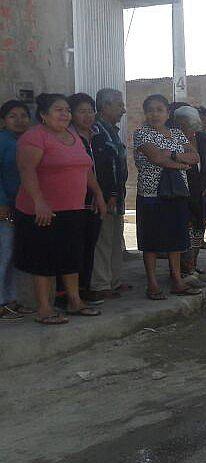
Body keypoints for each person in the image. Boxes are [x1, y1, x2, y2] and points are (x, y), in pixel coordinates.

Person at [14, 93, 106, 324]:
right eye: (58, 110)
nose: (65, 114)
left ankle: (75, 301)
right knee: (43, 259)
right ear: (43, 115)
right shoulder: (34, 137)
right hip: (43, 211)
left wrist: (98, 193)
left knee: (71, 257)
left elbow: (85, 168)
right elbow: (27, 171)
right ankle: (44, 309)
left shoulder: (72, 135)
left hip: (73, 209)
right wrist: (39, 202)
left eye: (66, 110)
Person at [133, 94, 203, 300]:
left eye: (159, 109)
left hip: (176, 193)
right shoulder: (141, 134)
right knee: (151, 240)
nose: (154, 114)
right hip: (151, 194)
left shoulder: (177, 133)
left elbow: (195, 157)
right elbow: (155, 158)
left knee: (176, 238)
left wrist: (172, 156)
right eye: (150, 110)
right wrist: (181, 163)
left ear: (167, 113)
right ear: (145, 113)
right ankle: (152, 284)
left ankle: (177, 281)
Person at [90, 88, 130, 299]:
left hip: (117, 195)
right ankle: (101, 284)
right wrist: (109, 193)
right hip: (106, 196)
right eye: (119, 105)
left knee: (115, 240)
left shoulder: (111, 130)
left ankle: (115, 280)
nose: (123, 109)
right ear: (105, 106)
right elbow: (103, 166)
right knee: (103, 241)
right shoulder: (97, 131)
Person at [66, 93, 106, 305]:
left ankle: (85, 288)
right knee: (73, 247)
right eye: (82, 111)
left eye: (90, 111)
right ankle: (67, 294)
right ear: (71, 114)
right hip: (74, 200)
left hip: (96, 200)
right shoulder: (68, 138)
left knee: (89, 245)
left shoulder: (98, 136)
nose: (88, 116)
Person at [170, 104, 206, 284]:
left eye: (185, 125)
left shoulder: (204, 139)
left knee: (197, 230)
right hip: (180, 193)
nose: (181, 129)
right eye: (178, 125)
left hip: (200, 191)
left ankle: (191, 266)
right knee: (183, 231)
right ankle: (181, 271)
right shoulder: (172, 139)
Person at [0, 99, 33, 321]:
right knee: (4, 255)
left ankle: (10, 300)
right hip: (5, 207)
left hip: (22, 207)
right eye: (13, 116)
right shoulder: (3, 141)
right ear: (3, 121)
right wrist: (1, 203)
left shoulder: (27, 142)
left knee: (13, 255)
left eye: (23, 115)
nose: (19, 120)